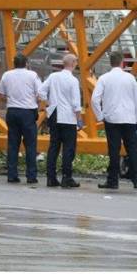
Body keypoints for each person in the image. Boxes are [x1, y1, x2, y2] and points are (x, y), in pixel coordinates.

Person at [91, 51, 137, 190]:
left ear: (111, 63)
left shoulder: (104, 78)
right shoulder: (130, 78)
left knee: (113, 151)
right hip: (129, 118)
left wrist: (100, 116)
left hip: (112, 118)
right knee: (132, 150)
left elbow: (94, 99)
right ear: (122, 62)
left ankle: (113, 181)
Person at [0, 53, 42, 184]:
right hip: (28, 112)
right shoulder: (32, 75)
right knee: (30, 145)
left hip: (12, 111)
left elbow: (1, 93)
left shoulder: (7, 75)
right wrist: (38, 105)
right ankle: (31, 176)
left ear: (14, 63)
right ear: (26, 63)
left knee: (13, 144)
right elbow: (40, 94)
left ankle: (12, 175)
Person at [39, 54, 82, 188]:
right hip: (68, 117)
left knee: (54, 147)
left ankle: (51, 178)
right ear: (73, 63)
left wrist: (48, 104)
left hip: (54, 114)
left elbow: (41, 91)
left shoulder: (53, 77)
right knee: (69, 148)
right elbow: (75, 102)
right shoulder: (73, 80)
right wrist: (79, 118)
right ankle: (66, 177)